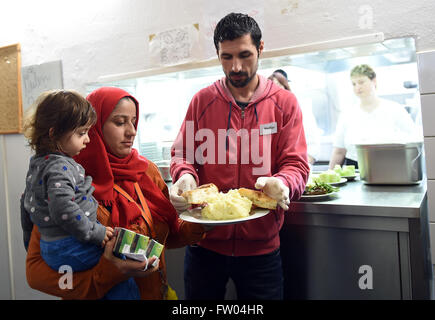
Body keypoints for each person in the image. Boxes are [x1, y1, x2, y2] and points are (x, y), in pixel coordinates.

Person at [169, 13, 309, 300]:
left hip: (262, 247)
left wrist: (283, 183)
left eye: (245, 55)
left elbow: (296, 163)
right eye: (226, 57)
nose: (235, 66)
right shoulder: (202, 101)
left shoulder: (284, 104)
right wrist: (184, 175)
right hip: (204, 244)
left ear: (260, 49)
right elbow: (183, 153)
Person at [24, 87, 206, 300]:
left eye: (134, 121)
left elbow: (167, 235)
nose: (132, 131)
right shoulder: (65, 178)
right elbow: (36, 274)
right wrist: (108, 274)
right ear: (94, 127)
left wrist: (201, 221)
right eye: (120, 122)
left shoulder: (146, 170)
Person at [329, 64, 421, 169]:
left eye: (361, 82)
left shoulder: (394, 109)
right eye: (353, 84)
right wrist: (328, 178)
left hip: (389, 167)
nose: (357, 87)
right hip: (355, 170)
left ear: (374, 81)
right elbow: (339, 151)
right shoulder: (347, 114)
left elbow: (413, 142)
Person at [268, 69, 321, 165]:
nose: (274, 93)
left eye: (278, 87)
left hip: (296, 170)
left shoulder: (302, 110)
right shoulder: (265, 115)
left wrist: (296, 168)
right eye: (271, 89)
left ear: (286, 88)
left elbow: (313, 148)